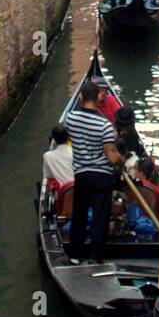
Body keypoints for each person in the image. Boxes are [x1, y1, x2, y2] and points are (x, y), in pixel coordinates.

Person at [64, 81, 124, 264]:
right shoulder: (104, 125)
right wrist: (120, 163)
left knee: (79, 213)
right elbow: (112, 157)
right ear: (98, 99)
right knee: (100, 215)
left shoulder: (70, 118)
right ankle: (95, 257)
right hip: (101, 176)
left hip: (81, 174)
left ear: (81, 97)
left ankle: (75, 255)